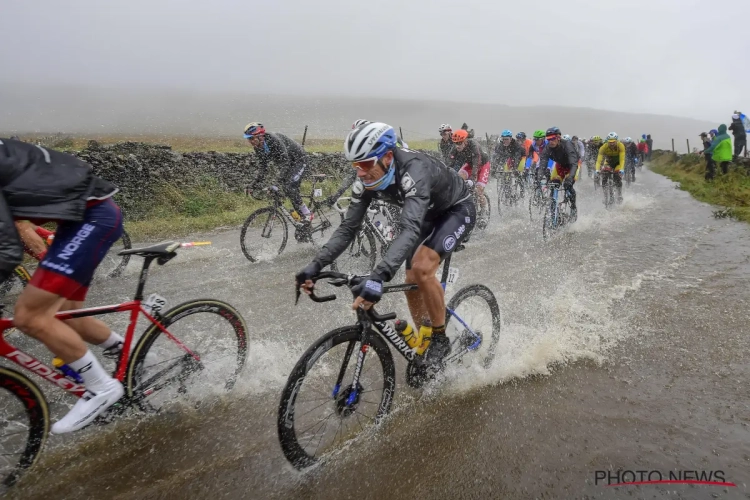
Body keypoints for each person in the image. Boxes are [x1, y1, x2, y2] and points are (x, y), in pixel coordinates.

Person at [295, 122, 475, 374]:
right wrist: (315, 265)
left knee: (423, 269)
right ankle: (425, 337)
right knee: (410, 281)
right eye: (355, 166)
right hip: (426, 215)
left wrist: (378, 277)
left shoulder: (415, 169)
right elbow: (348, 228)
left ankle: (440, 338)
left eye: (366, 164)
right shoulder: (368, 180)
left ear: (388, 157)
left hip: (457, 209)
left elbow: (409, 229)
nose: (360, 173)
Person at [0, 138, 126, 434]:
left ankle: (101, 388)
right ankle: (131, 355)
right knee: (69, 315)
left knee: (29, 316)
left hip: (93, 217)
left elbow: (10, 247)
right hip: (79, 218)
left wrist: (49, 266)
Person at [244, 122, 312, 228]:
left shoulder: (273, 140)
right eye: (249, 139)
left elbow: (285, 162)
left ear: (260, 136)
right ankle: (303, 225)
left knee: (289, 186)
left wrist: (276, 183)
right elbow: (263, 168)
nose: (251, 142)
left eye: (252, 138)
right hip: (288, 163)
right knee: (287, 189)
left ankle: (307, 214)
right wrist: (253, 184)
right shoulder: (258, 147)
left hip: (299, 160)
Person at [536, 127, 580, 220]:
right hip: (560, 165)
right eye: (548, 139)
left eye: (553, 139)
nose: (551, 142)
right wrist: (538, 178)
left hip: (573, 165)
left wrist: (570, 178)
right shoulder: (547, 148)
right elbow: (543, 164)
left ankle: (573, 207)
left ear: (558, 138)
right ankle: (553, 212)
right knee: (553, 184)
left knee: (568, 185)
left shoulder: (567, 145)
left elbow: (573, 164)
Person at [449, 129, 491, 223]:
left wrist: (472, 178)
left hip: (482, 165)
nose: (457, 145)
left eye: (459, 143)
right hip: (470, 165)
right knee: (458, 178)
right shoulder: (455, 148)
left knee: (479, 190)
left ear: (465, 141)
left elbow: (477, 163)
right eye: (455, 143)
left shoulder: (473, 145)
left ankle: (483, 212)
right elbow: (450, 163)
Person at [492, 130, 527, 198]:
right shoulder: (500, 146)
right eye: (503, 139)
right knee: (506, 173)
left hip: (521, 158)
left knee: (517, 172)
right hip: (510, 158)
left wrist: (515, 168)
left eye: (507, 139)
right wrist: (494, 168)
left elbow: (517, 158)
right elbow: (498, 158)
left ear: (511, 139)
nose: (505, 141)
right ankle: (508, 190)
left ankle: (521, 189)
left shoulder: (516, 145)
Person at [596, 132, 626, 203]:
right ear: (607, 141)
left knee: (617, 177)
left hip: (618, 163)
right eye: (610, 142)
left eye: (613, 142)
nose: (612, 144)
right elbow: (598, 161)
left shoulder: (620, 145)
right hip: (608, 162)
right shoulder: (603, 147)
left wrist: (621, 169)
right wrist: (597, 170)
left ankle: (619, 194)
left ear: (616, 141)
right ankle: (605, 196)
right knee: (604, 176)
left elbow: (622, 159)